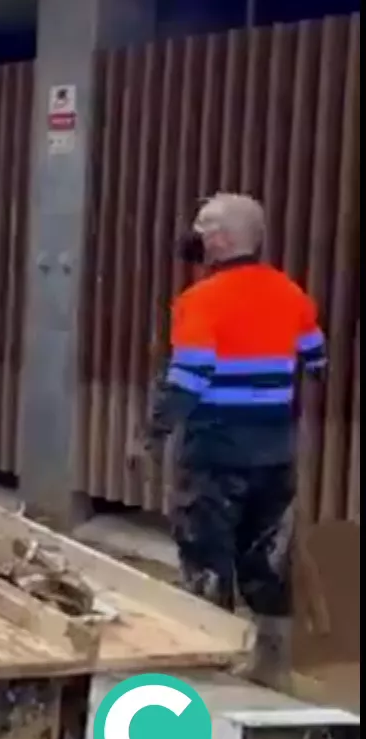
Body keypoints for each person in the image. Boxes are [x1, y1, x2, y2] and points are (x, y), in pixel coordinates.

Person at [135, 193, 324, 690]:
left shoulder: (201, 301)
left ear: (220, 238)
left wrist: (151, 435)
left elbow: (188, 378)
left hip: (215, 451)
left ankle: (208, 672)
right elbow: (316, 358)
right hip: (275, 449)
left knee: (206, 553)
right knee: (268, 557)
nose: (194, 233)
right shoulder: (291, 292)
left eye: (202, 225)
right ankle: (273, 665)